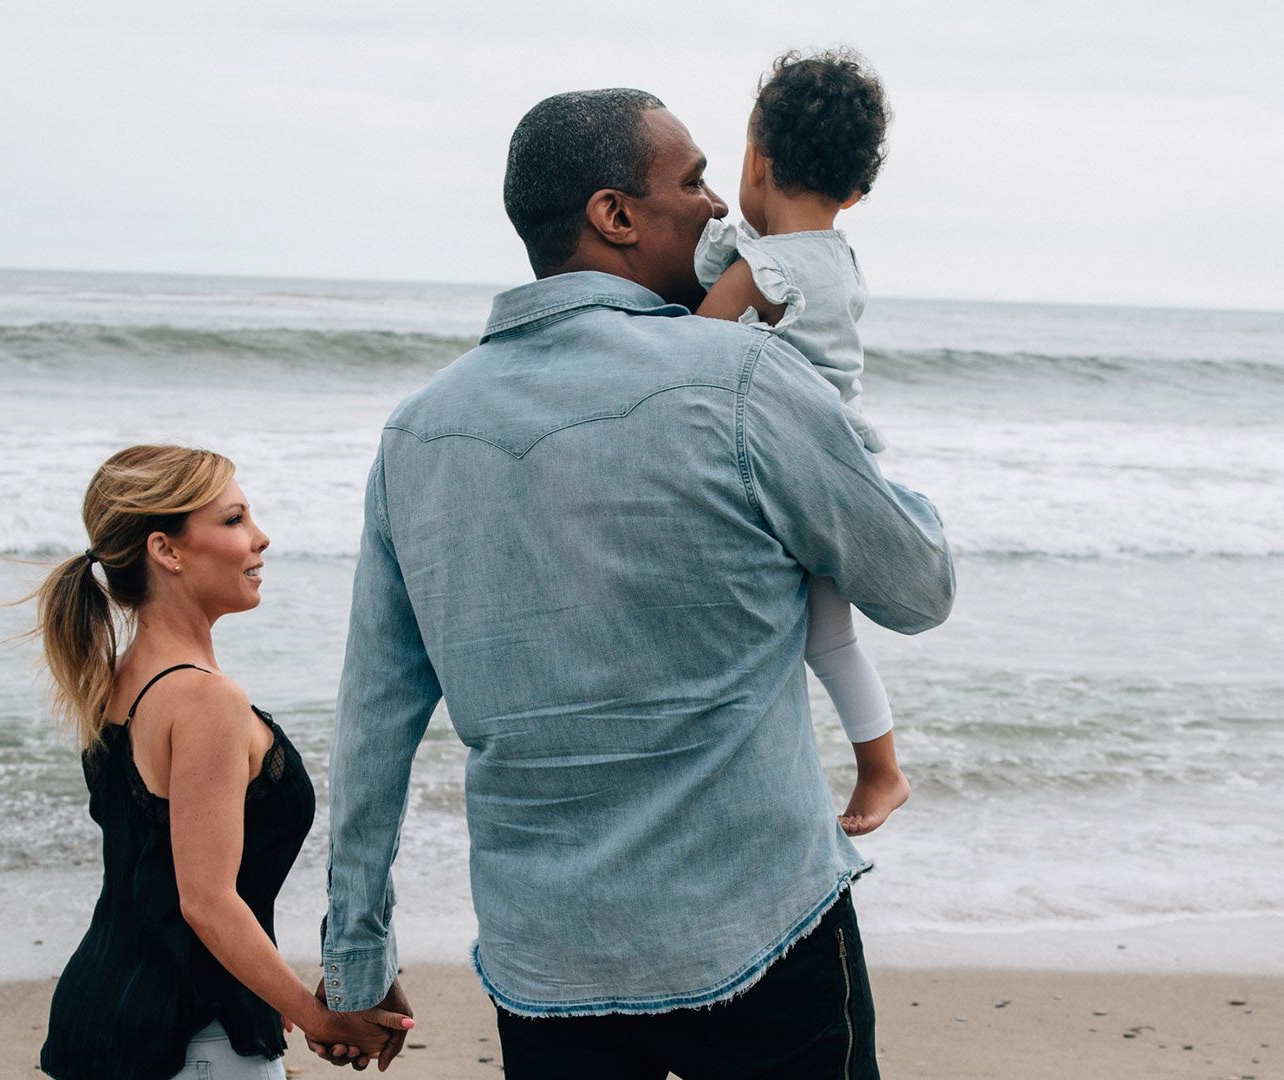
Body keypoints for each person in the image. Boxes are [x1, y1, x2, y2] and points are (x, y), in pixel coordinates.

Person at [315, 90, 953, 1078]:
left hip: (551, 965)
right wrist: (849, 454)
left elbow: (372, 725)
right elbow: (918, 588)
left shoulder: (417, 435)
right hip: (765, 931)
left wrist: (356, 950)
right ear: (614, 216)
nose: (715, 209)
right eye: (692, 182)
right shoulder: (741, 377)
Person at [34, 445, 413, 1079]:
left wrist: (272, 990)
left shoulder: (117, 681)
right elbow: (205, 901)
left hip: (100, 1025)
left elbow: (158, 882)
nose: (260, 538)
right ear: (168, 550)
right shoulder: (205, 700)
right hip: (189, 1046)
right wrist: (320, 1017)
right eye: (235, 520)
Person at [695, 47, 908, 836]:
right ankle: (881, 769)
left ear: (756, 156)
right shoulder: (839, 261)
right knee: (831, 638)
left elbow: (689, 352)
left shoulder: (765, 271)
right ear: (855, 191)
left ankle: (862, 774)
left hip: (782, 479)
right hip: (835, 468)